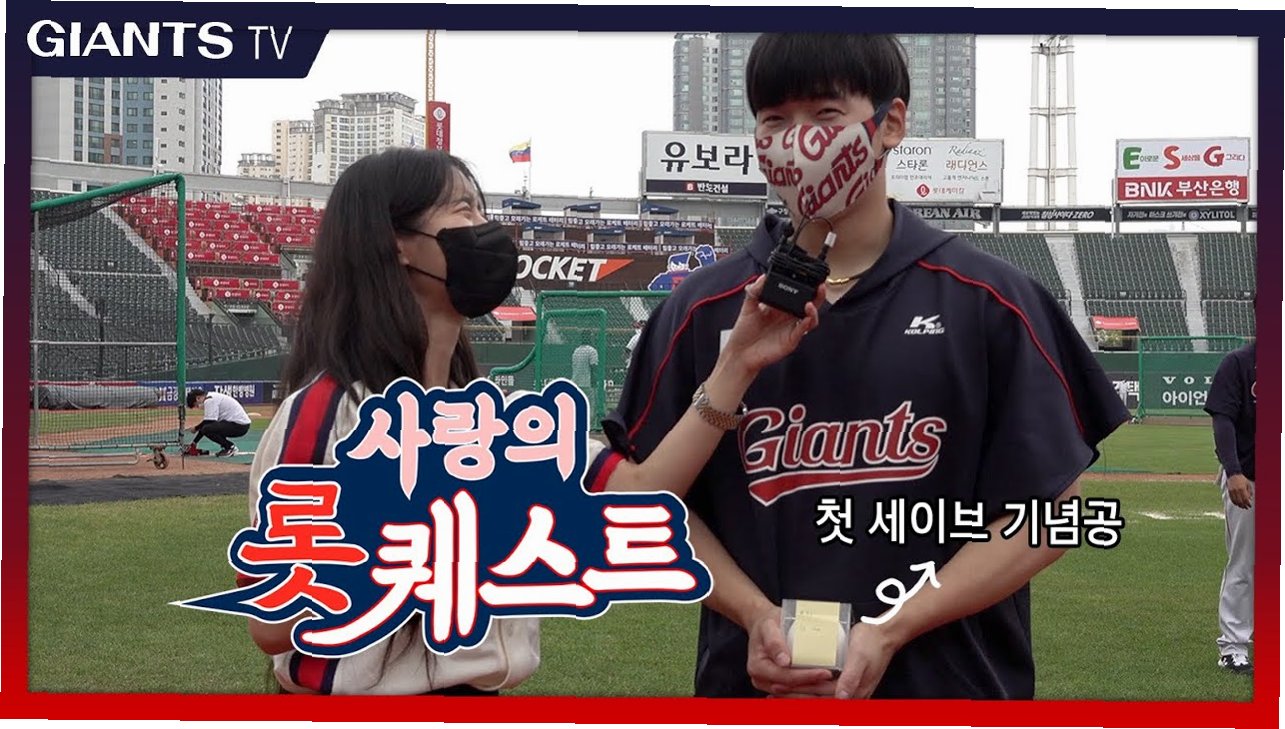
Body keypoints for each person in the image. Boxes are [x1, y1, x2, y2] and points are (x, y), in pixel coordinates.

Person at [603, 33, 1131, 700]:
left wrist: (892, 628)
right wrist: (754, 614)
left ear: (891, 123)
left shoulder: (990, 300)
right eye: (774, 119)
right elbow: (642, 504)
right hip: (754, 691)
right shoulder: (699, 308)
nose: (798, 140)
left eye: (825, 114)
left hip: (949, 691)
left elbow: (1053, 513)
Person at [238, 147, 822, 696]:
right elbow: (272, 623)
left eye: (482, 209)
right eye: (463, 210)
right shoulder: (328, 413)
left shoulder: (496, 422)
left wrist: (737, 364)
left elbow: (645, 492)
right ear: (398, 246)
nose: (486, 229)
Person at [1204, 332, 1256, 675]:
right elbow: (1222, 419)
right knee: (1244, 563)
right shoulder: (1238, 363)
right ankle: (1233, 647)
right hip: (1250, 478)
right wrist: (1233, 471)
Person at [186, 388, 251, 457]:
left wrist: (196, 428)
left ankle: (230, 447)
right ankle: (227, 447)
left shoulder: (209, 400)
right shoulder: (211, 397)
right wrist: (194, 443)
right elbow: (207, 424)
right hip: (238, 425)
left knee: (208, 429)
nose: (198, 407)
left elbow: (208, 422)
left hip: (239, 426)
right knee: (209, 428)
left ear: (198, 398)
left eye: (196, 405)